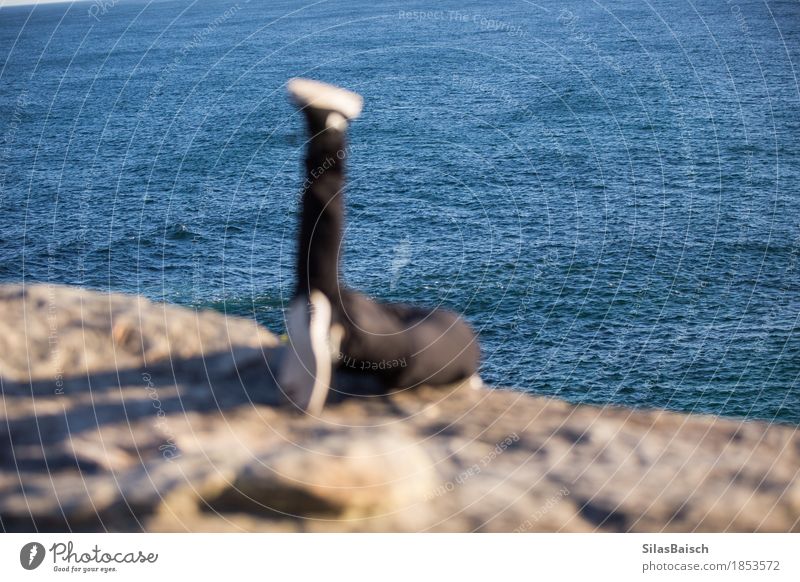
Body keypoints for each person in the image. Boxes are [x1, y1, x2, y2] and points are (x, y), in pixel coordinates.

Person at [279, 78, 482, 414]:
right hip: (415, 339)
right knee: (457, 343)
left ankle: (327, 134)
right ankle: (335, 325)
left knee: (343, 302)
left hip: (379, 318)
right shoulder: (454, 347)